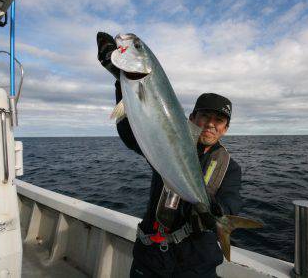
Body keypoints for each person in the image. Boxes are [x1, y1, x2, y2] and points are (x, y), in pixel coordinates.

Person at [97, 32, 243, 278]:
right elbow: (131, 133)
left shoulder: (230, 167)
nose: (210, 124)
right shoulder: (167, 142)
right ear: (191, 119)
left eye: (219, 121)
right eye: (204, 116)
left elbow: (232, 201)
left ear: (225, 129)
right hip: (152, 255)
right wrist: (121, 83)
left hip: (197, 262)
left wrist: (215, 212)